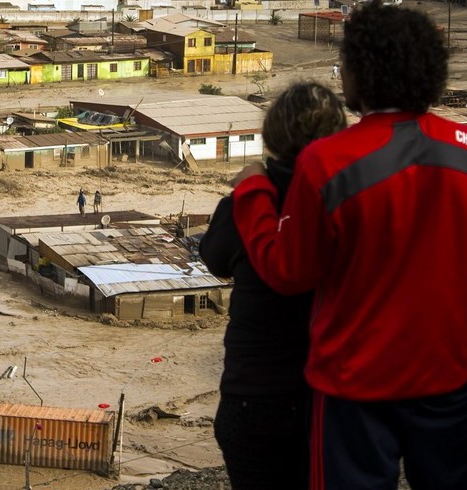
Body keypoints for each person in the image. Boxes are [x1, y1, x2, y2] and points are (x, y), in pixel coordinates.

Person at [232, 2, 467, 489]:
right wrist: (462, 348)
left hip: (352, 384)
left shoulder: (328, 162)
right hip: (442, 376)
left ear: (360, 73)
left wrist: (252, 192)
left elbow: (288, 270)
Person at [200, 82, 347, 490]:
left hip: (255, 396)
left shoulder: (245, 203)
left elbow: (213, 257)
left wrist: (250, 186)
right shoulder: (354, 199)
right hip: (334, 395)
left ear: (272, 137)